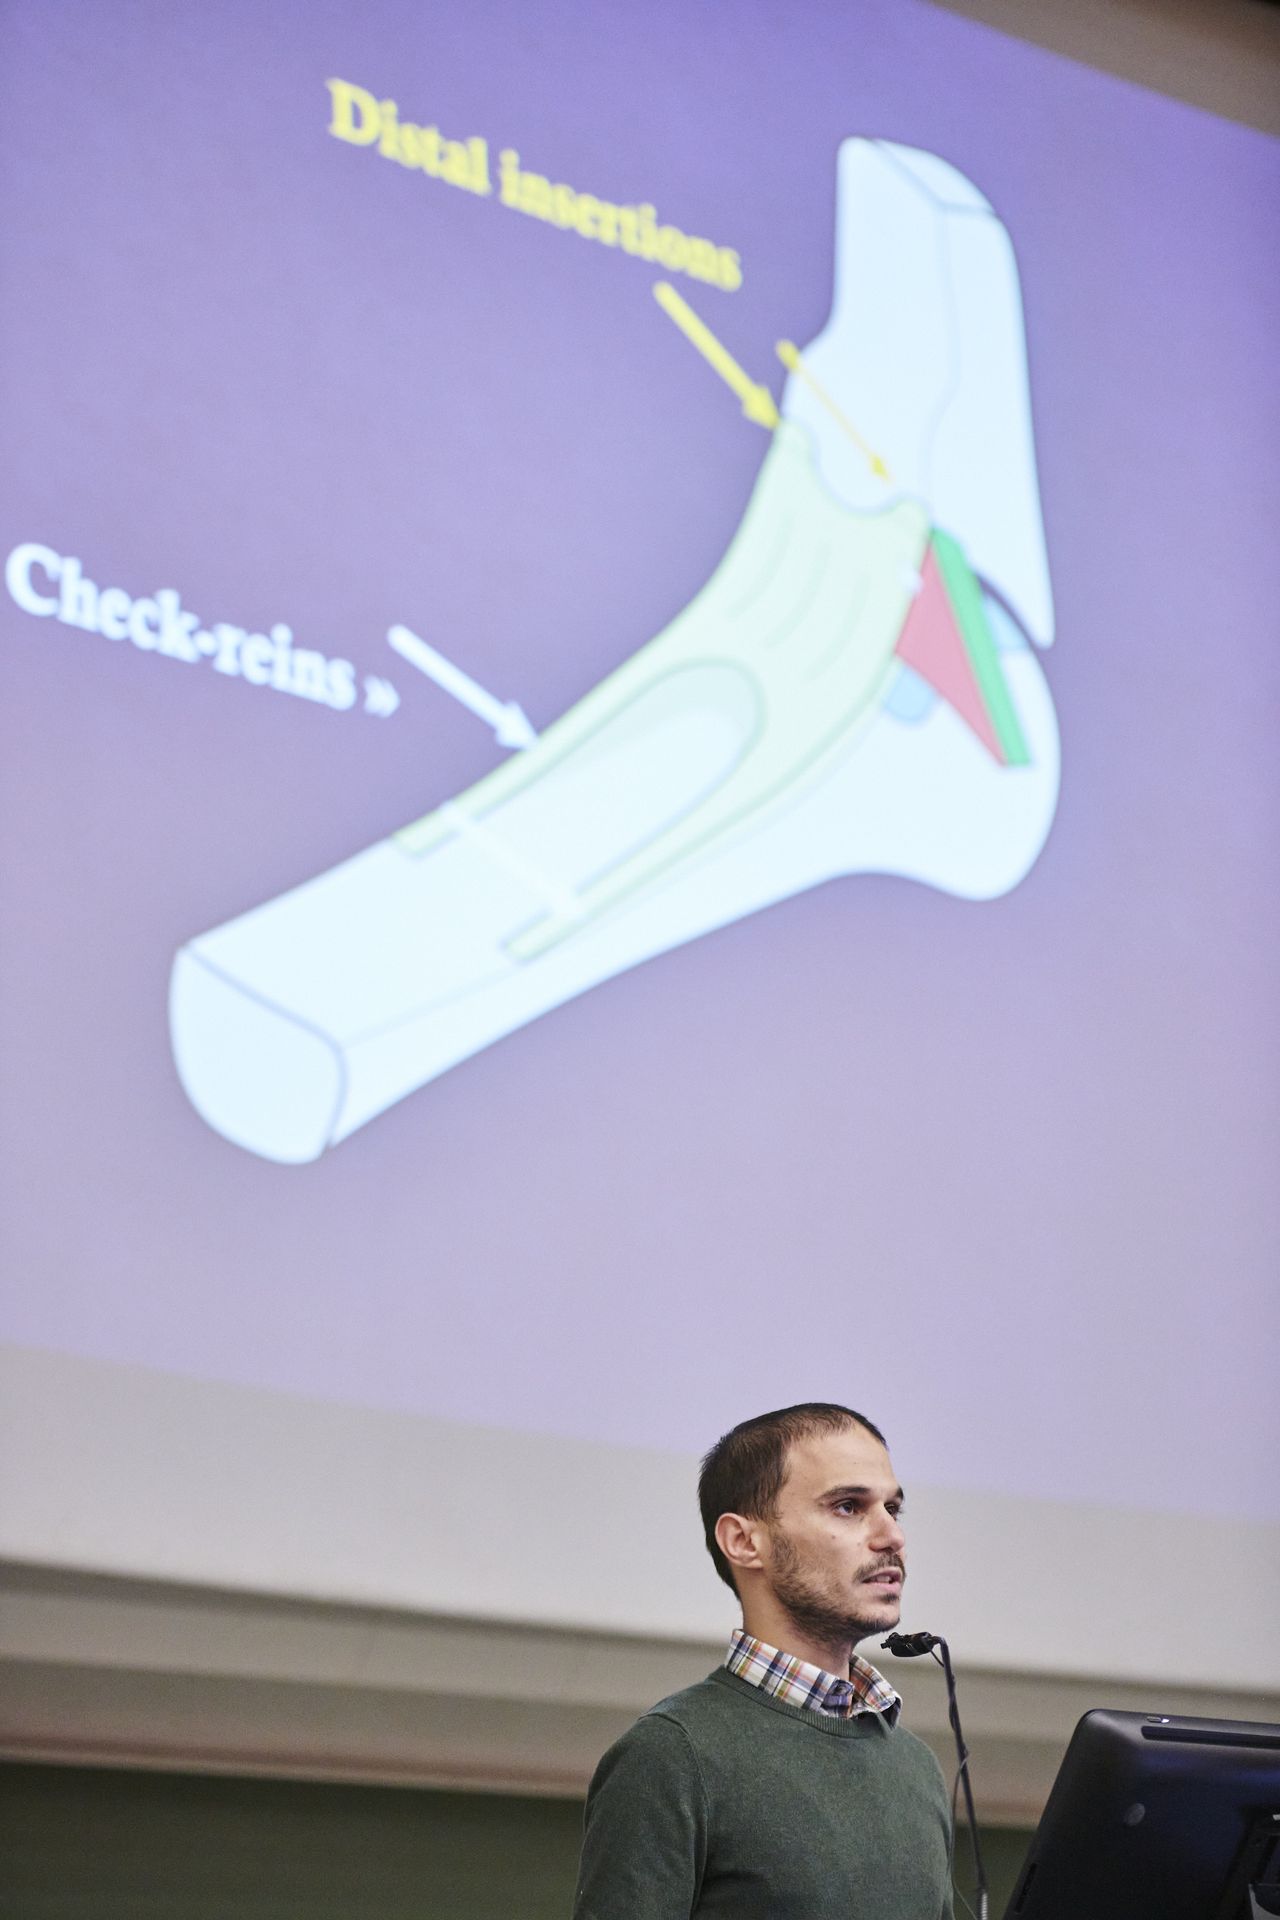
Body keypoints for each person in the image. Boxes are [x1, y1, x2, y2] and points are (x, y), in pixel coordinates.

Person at [572, 1402, 954, 1918]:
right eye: (848, 1506)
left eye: (893, 1509)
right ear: (744, 1542)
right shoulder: (672, 1755)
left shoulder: (916, 1767)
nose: (892, 1537)